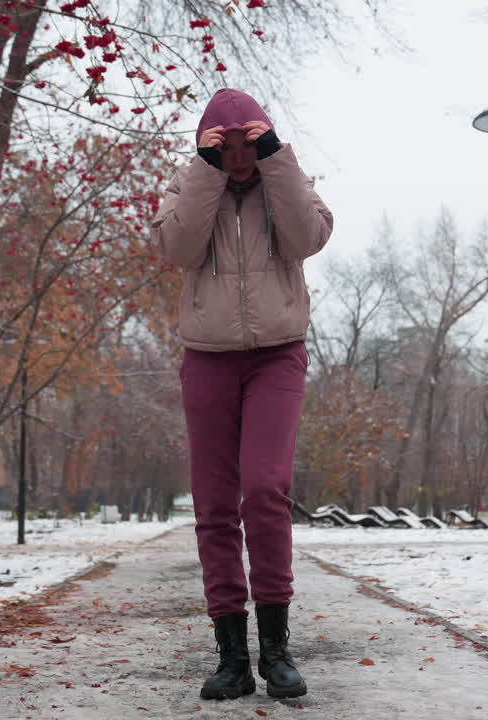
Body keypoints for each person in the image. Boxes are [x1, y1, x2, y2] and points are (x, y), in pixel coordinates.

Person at [150, 88, 331, 701]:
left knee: (264, 487)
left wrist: (276, 159)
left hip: (277, 355)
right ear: (206, 145)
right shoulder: (185, 186)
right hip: (207, 359)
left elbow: (309, 236)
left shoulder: (284, 174)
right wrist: (204, 174)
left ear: (264, 138)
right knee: (215, 505)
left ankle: (276, 649)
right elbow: (176, 248)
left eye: (246, 142)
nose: (236, 155)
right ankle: (231, 656)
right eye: (223, 145)